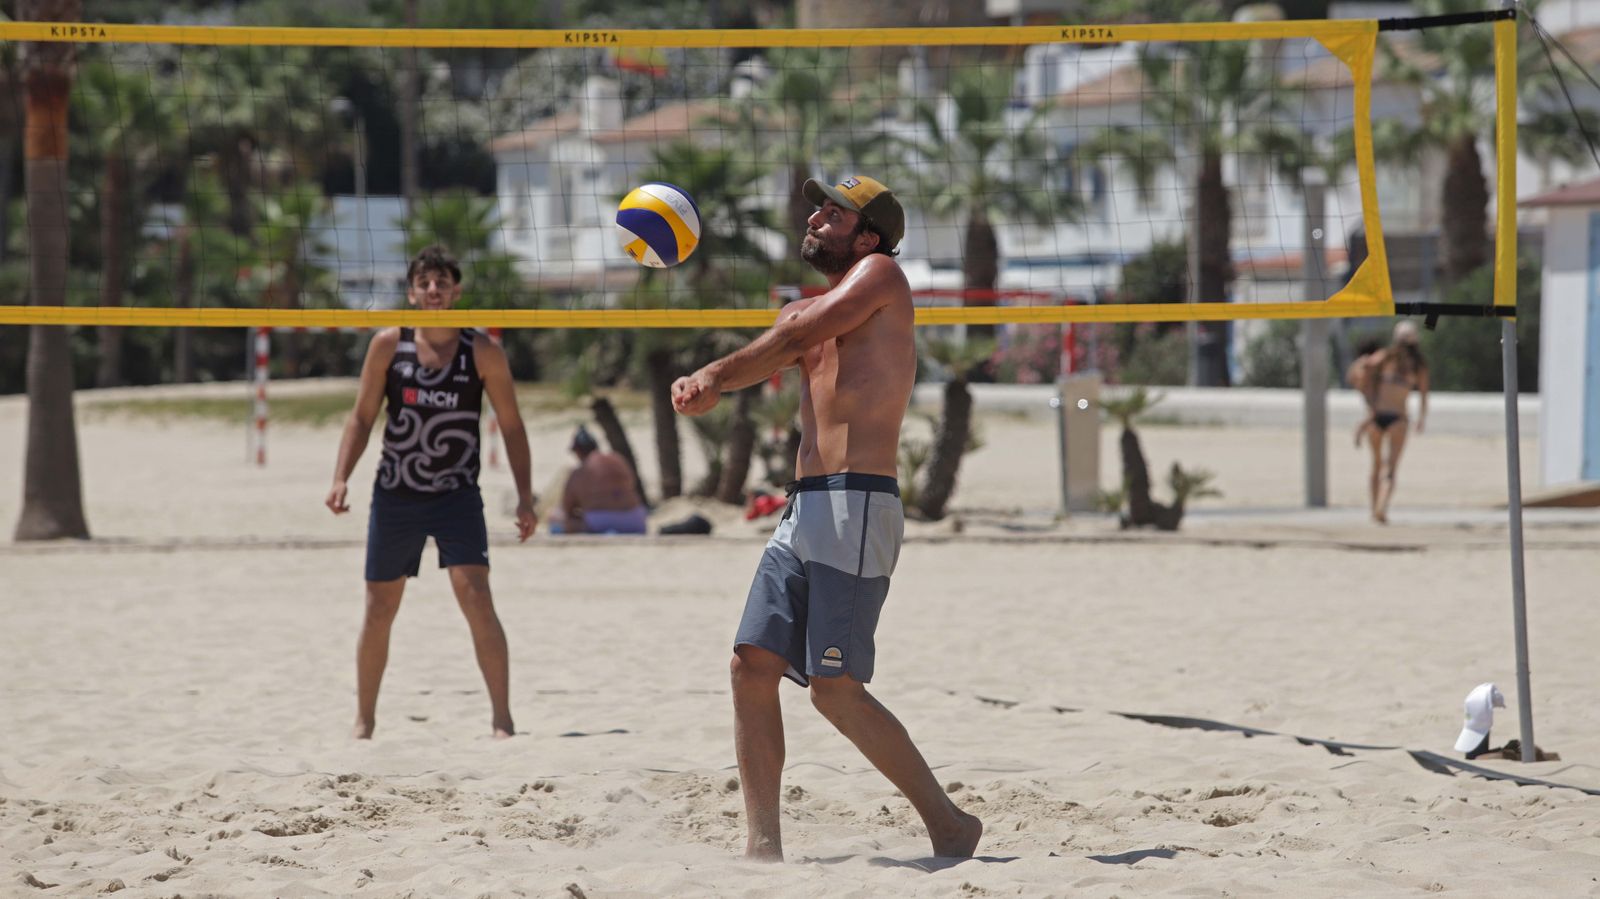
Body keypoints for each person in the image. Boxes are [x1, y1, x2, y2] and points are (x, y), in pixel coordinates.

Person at [672, 175, 982, 862]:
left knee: (835, 691)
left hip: (858, 504)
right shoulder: (808, 308)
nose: (814, 218)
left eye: (833, 214)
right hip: (804, 506)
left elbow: (795, 334)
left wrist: (715, 374)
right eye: (816, 209)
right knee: (750, 666)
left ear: (868, 236)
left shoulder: (882, 277)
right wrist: (706, 384)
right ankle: (763, 848)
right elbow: (782, 343)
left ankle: (950, 823)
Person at [325, 245, 537, 739]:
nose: (434, 290)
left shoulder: (480, 350)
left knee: (476, 597)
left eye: (442, 281)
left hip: (456, 495)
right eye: (424, 283)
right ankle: (364, 722)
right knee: (380, 607)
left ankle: (503, 721)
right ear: (411, 293)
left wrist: (525, 497)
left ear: (456, 290)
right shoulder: (388, 344)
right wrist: (340, 477)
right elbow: (361, 417)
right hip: (396, 493)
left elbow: (512, 426)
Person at [1349, 320, 1429, 524]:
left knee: (1376, 465)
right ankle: (1381, 507)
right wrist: (1421, 418)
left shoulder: (1385, 356)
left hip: (1377, 416)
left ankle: (1373, 509)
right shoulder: (1418, 366)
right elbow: (1423, 395)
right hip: (1398, 418)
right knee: (1390, 468)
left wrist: (1366, 393)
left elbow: (1361, 367)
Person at [555, 425, 648, 534]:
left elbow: (567, 508)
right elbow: (632, 485)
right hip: (636, 519)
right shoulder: (618, 460)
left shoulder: (580, 471)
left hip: (601, 522)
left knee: (558, 520)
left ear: (578, 451)